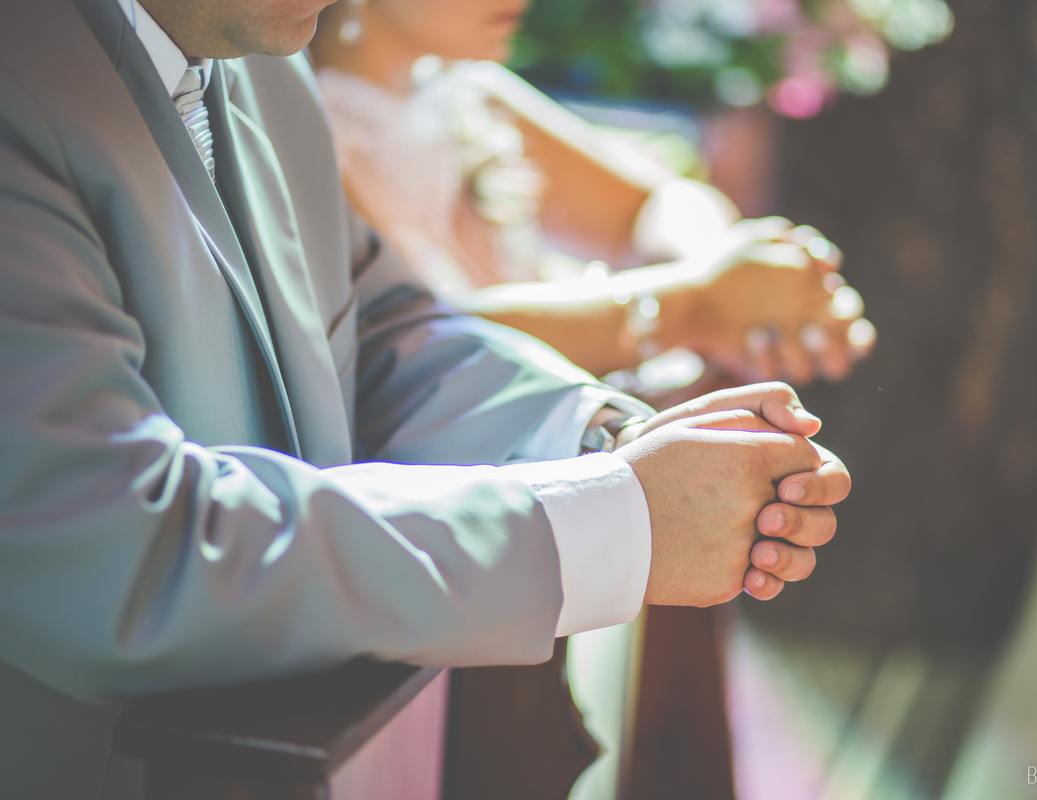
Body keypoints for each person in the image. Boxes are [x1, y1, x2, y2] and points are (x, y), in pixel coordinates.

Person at [0, 0, 850, 797]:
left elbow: (376, 331)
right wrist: (608, 521)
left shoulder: (259, 62)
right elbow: (119, 546)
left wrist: (605, 441)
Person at [309, 0, 876, 388]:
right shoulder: (311, 138)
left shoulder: (465, 91)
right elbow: (419, 345)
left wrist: (734, 279)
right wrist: (692, 304)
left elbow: (658, 203)